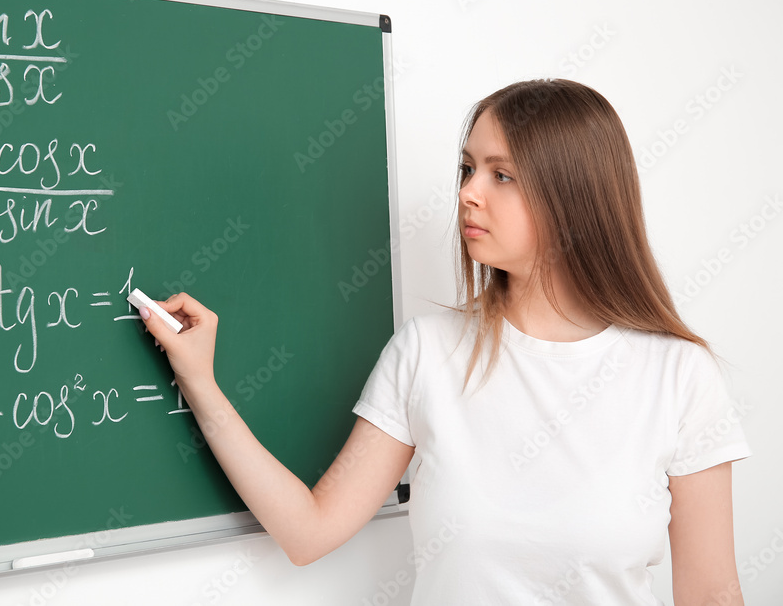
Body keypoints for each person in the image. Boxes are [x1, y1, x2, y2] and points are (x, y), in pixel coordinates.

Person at [137, 79, 751, 604]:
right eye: (467, 168)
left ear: (574, 198)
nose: (467, 192)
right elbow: (308, 532)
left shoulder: (677, 375)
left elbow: (710, 596)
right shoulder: (427, 354)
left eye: (501, 174)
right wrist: (200, 381)